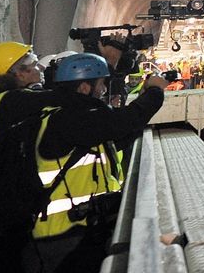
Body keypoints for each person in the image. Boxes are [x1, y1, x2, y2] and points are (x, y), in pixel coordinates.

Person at [24, 52, 166, 273]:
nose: (104, 90)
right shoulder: (72, 119)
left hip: (74, 229)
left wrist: (144, 97)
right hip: (65, 235)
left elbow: (116, 136)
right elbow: (125, 121)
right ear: (84, 88)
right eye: (101, 84)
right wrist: (155, 91)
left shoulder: (64, 116)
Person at [0, 41, 54, 272]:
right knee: (18, 261)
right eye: (34, 64)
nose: (40, 68)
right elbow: (65, 100)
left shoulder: (0, 100)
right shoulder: (14, 102)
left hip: (3, 196)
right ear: (19, 73)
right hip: (12, 200)